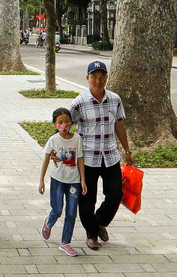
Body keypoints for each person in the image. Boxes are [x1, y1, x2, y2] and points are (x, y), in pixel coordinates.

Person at [69, 61, 132, 250]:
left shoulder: (115, 99)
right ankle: (91, 234)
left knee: (115, 194)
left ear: (106, 78)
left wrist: (127, 151)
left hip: (111, 155)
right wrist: (61, 151)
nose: (98, 80)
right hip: (87, 157)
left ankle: (100, 223)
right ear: (87, 78)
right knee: (87, 198)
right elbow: (65, 126)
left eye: (102, 76)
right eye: (93, 76)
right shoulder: (79, 102)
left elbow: (119, 124)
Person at [39, 108, 87, 257]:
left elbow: (80, 159)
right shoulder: (53, 140)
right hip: (57, 180)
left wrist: (83, 180)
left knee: (71, 213)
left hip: (74, 182)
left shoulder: (77, 139)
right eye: (60, 122)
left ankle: (65, 243)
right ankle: (49, 222)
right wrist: (41, 180)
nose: (64, 124)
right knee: (58, 210)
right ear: (55, 124)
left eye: (67, 121)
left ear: (72, 122)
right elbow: (46, 159)